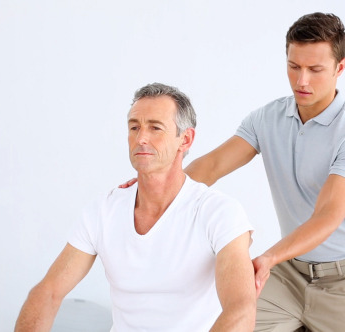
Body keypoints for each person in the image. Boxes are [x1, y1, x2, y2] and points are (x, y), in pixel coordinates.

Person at [123, 12, 345, 331]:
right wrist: (155, 187)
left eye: (315, 70)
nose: (302, 81)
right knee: (233, 322)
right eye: (294, 66)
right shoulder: (268, 119)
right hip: (290, 276)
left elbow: (326, 216)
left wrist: (269, 258)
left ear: (339, 68)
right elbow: (212, 165)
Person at [14, 83, 256, 332]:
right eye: (134, 127)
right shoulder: (103, 211)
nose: (141, 138)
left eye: (155, 128)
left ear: (185, 139)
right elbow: (48, 292)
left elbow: (240, 310)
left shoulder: (219, 213)